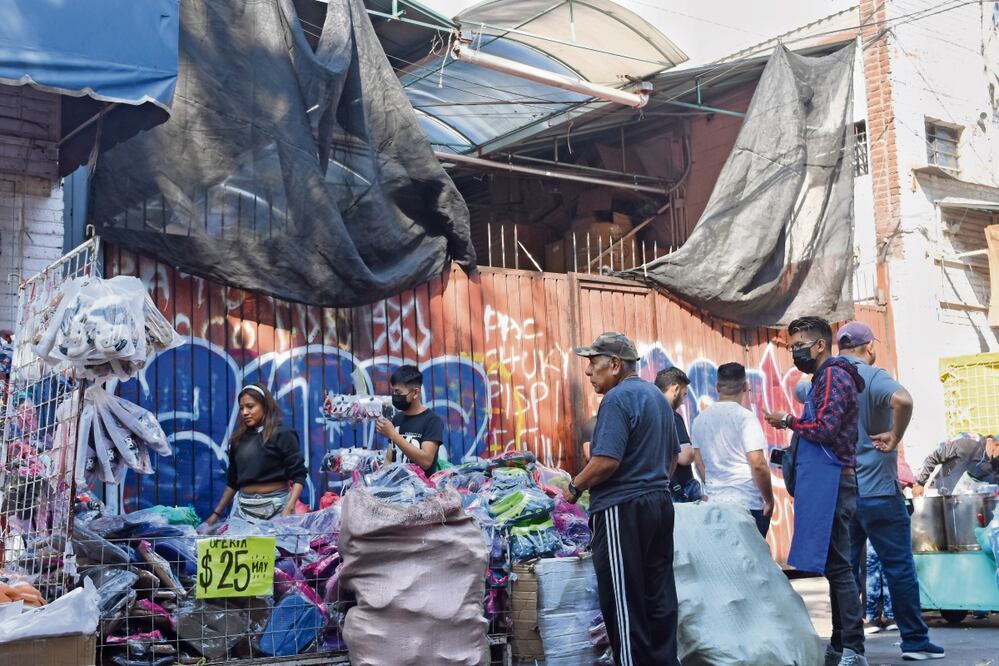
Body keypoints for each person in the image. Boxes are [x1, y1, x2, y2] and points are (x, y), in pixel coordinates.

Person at [566, 332, 679, 666]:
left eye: (593, 362)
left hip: (622, 510)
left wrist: (574, 487)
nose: (588, 372)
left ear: (614, 364)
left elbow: (605, 461)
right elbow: (673, 456)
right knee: (657, 597)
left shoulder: (616, 399)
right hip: (659, 503)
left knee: (624, 601)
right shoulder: (657, 397)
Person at [833, 321, 944, 660]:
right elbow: (903, 399)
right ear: (868, 347)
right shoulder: (873, 375)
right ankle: (914, 641)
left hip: (844, 493)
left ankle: (848, 646)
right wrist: (895, 435)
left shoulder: (829, 378)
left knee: (846, 572)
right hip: (879, 492)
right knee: (898, 566)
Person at [764, 316, 867, 666]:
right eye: (791, 347)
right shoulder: (823, 378)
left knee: (839, 567)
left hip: (834, 481)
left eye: (798, 346)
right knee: (835, 565)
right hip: (827, 480)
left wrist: (788, 421)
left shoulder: (834, 376)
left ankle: (853, 648)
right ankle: (840, 646)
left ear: (820, 345)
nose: (794, 353)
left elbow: (824, 428)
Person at [202, 383, 307, 528]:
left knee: (275, 551)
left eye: (250, 406)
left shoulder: (283, 434)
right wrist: (216, 514)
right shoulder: (237, 440)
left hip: (277, 509)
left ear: (264, 405)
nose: (245, 412)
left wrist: (289, 508)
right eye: (241, 408)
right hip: (244, 510)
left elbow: (299, 476)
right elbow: (232, 482)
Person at [690, 362, 774, 536]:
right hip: (748, 504)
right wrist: (769, 500)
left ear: (718, 387)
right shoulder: (746, 419)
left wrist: (716, 487)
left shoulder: (699, 420)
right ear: (745, 386)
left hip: (715, 505)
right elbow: (758, 464)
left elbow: (699, 462)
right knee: (753, 561)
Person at [377, 364, 445, 475]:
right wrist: (381, 480)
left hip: (421, 491)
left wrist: (393, 434)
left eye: (398, 393)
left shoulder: (432, 421)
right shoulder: (397, 419)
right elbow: (389, 459)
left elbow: (426, 461)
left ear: (415, 393)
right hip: (396, 489)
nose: (395, 396)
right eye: (393, 392)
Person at [655, 367, 702, 501]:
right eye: (684, 394)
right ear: (675, 389)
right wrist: (694, 450)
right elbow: (685, 456)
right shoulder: (672, 416)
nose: (683, 400)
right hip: (678, 492)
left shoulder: (649, 414)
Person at [912, 433, 999, 495]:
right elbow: (934, 457)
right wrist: (920, 483)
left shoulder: (992, 464)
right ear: (996, 444)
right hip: (936, 495)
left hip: (963, 504)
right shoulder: (968, 444)